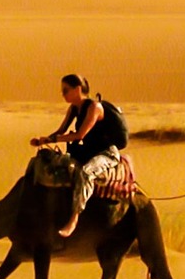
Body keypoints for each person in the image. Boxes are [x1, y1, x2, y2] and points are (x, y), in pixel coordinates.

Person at [31, 73, 123, 240]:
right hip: (87, 151)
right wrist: (44, 140)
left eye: (66, 90)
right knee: (50, 162)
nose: (63, 94)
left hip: (106, 154)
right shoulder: (74, 108)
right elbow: (61, 131)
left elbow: (80, 135)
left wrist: (54, 139)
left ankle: (74, 218)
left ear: (78, 89)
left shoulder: (94, 107)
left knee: (86, 173)